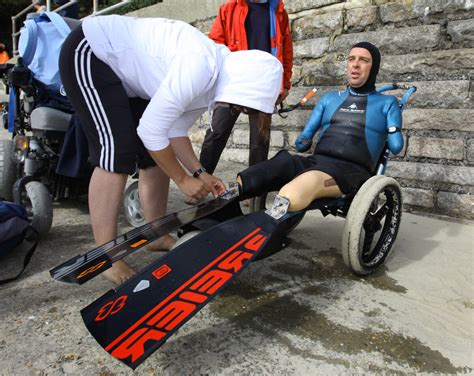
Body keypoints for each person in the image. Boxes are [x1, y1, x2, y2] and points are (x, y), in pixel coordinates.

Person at [58, 15, 283, 284]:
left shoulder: (213, 81)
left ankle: (156, 234)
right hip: (89, 51)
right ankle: (107, 255)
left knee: (154, 157)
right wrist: (182, 180)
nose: (241, 111)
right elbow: (151, 131)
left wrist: (200, 173)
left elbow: (173, 131)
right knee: (115, 152)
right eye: (242, 105)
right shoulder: (199, 67)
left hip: (125, 77)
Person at [236, 42, 404, 213]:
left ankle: (271, 218)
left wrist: (393, 126)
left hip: (350, 170)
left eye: (364, 60)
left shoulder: (387, 103)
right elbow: (302, 144)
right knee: (275, 166)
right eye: (351, 59)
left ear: (374, 67)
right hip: (316, 162)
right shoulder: (329, 99)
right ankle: (230, 193)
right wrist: (304, 138)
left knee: (296, 189)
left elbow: (396, 146)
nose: (355, 64)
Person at [199, 0, 293, 174]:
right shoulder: (229, 9)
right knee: (217, 132)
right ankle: (200, 180)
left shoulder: (278, 11)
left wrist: (284, 83)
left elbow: (286, 49)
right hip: (234, 81)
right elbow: (214, 46)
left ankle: (253, 191)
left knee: (260, 141)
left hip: (263, 82)